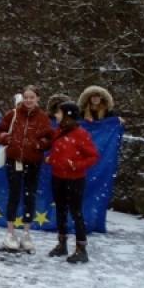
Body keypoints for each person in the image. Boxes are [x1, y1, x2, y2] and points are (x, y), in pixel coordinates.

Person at [0, 85, 53, 253]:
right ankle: (10, 233)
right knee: (13, 195)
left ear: (37, 99)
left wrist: (38, 144)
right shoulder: (12, 114)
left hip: (33, 163)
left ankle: (26, 234)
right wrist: (7, 138)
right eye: (26, 97)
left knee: (30, 196)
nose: (28, 100)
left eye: (32, 97)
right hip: (13, 161)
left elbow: (50, 138)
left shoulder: (43, 118)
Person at [46, 102, 99, 264]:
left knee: (76, 213)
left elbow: (93, 156)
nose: (56, 115)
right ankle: (62, 244)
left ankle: (81, 249)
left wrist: (76, 165)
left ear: (67, 115)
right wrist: (51, 159)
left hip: (75, 180)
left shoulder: (81, 134)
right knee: (60, 210)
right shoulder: (58, 131)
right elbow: (58, 153)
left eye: (59, 113)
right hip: (58, 177)